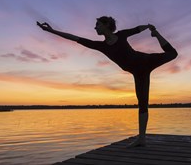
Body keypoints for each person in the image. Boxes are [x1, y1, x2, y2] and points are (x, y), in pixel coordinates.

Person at [37, 16, 178, 147]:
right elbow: (75, 38)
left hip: (146, 61)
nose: (95, 28)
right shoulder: (101, 46)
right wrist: (51, 30)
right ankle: (142, 138)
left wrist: (150, 28)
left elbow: (137, 29)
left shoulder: (122, 35)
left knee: (173, 54)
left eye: (97, 25)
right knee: (142, 103)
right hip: (138, 73)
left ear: (107, 25)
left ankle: (157, 35)